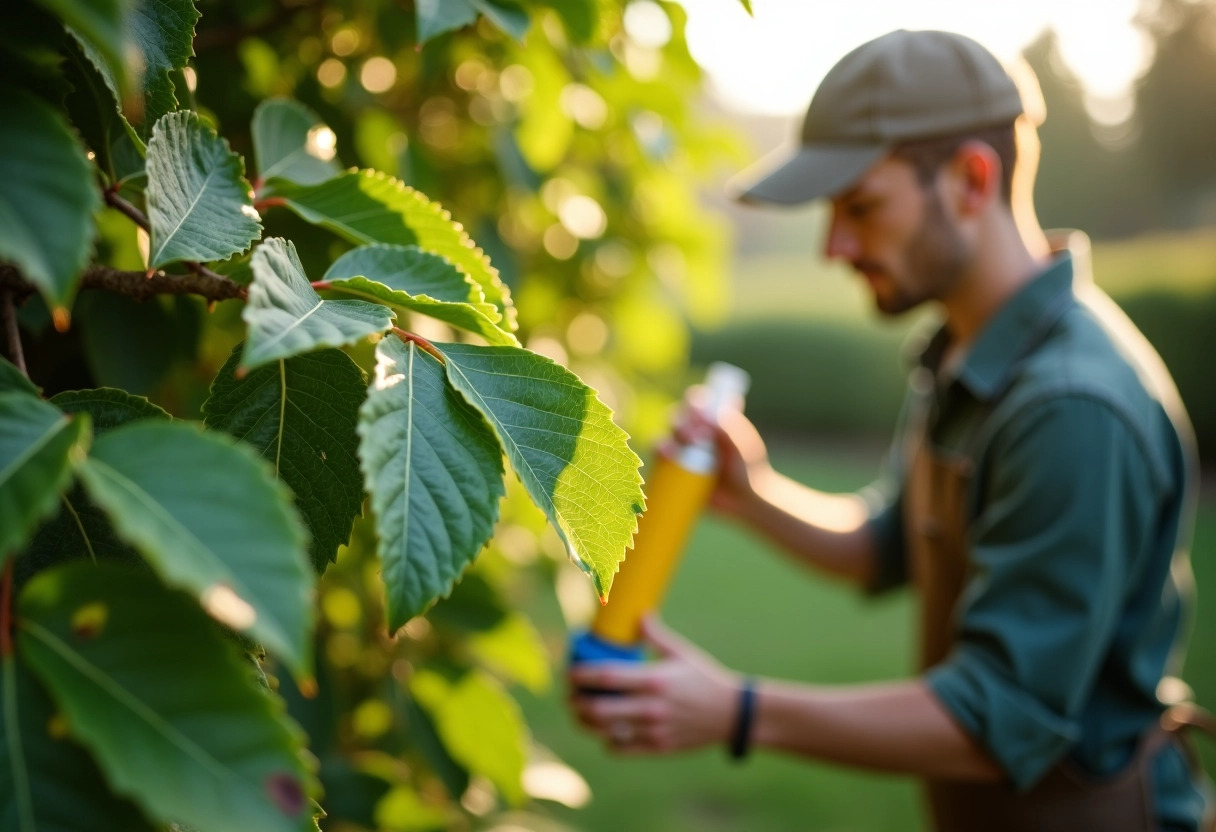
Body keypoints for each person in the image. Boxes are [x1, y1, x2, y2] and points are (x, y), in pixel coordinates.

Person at [568, 28, 1214, 832]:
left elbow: (998, 715)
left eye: (861, 206)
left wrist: (738, 710)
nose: (834, 247)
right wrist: (755, 493)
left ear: (971, 180)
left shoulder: (1072, 407)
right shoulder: (966, 351)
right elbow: (891, 546)